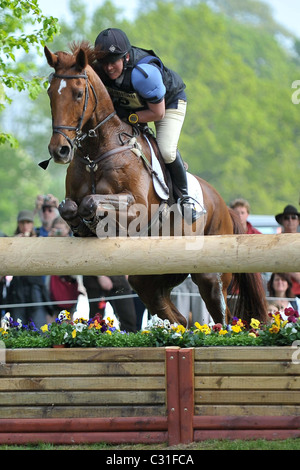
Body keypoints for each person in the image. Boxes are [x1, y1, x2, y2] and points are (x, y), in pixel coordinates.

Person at [94, 27, 201, 223]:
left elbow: (156, 113)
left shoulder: (143, 74)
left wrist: (130, 117)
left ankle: (185, 199)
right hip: (134, 107)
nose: (108, 68)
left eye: (113, 62)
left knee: (166, 150)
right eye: (104, 62)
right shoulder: (98, 70)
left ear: (126, 58)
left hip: (166, 105)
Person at [6, 210, 51, 328]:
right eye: (22, 223)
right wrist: (14, 244)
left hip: (35, 286)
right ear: (18, 224)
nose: (25, 226)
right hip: (18, 287)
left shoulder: (39, 238)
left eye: (28, 222)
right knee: (18, 326)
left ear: (32, 224)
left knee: (39, 325)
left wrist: (34, 243)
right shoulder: (13, 240)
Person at [47, 217, 85, 321]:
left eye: (61, 229)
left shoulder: (74, 242)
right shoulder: (50, 241)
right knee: (53, 317)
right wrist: (49, 240)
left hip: (70, 283)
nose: (59, 232)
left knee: (70, 317)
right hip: (54, 284)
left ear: (68, 229)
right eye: (57, 229)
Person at [275, 205, 300, 297]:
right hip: (282, 292)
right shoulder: (276, 241)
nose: (290, 220)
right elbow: (276, 263)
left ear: (298, 221)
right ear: (282, 221)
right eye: (286, 218)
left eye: (294, 217)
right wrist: (296, 275)